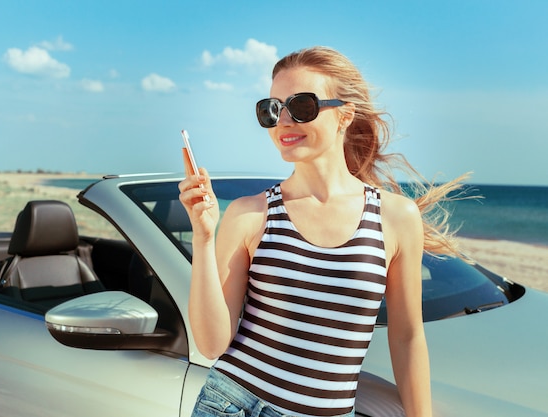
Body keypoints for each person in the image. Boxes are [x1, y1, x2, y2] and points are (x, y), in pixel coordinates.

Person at [179, 46, 464, 417]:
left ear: (345, 114)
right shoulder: (249, 214)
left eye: (302, 106)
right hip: (234, 405)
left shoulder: (395, 217)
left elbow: (407, 337)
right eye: (272, 109)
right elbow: (212, 344)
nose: (283, 121)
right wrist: (202, 238)